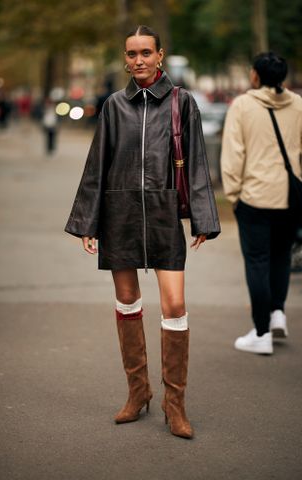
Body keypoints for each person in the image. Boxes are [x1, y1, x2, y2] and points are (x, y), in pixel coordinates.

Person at [65, 25, 220, 439]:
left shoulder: (183, 102)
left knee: (174, 306)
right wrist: (87, 220)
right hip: (121, 214)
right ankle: (139, 392)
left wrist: (203, 217)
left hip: (165, 212)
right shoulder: (114, 105)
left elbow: (199, 161)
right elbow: (97, 163)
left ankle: (175, 403)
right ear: (125, 58)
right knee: (128, 300)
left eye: (145, 52)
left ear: (160, 54)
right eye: (131, 53)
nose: (138, 60)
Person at [221, 52, 302, 355]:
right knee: (280, 256)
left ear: (255, 75)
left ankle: (261, 332)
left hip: (254, 196)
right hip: (290, 197)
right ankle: (278, 313)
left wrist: (233, 194)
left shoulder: (243, 105)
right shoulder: (298, 105)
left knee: (257, 262)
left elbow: (233, 154)